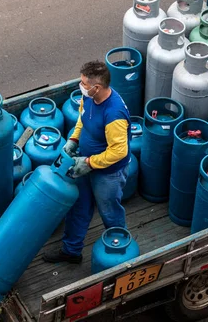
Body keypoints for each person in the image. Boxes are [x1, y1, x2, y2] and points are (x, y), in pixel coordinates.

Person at [43, 60, 130, 264]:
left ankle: (119, 252)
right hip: (84, 162)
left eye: (84, 83)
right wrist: (73, 139)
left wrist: (90, 163)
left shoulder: (114, 113)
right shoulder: (90, 98)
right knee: (79, 207)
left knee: (110, 212)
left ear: (96, 87)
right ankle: (71, 251)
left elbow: (119, 151)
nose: (80, 86)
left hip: (108, 174)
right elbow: (82, 120)